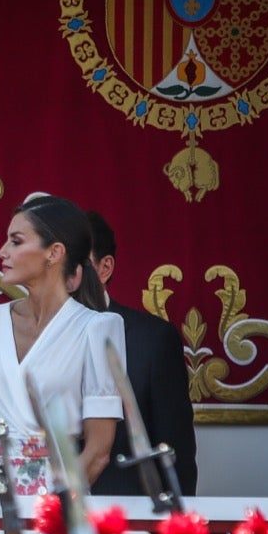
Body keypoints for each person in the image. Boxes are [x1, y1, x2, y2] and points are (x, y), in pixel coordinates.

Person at [0, 193, 125, 495]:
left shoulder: (96, 330)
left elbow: (98, 451)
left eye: (16, 242)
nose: (1, 252)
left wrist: (51, 514)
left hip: (60, 510)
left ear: (54, 253)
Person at [84, 210, 198, 497]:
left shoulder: (153, 339)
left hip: (129, 522)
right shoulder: (32, 334)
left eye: (75, 263)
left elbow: (175, 455)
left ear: (104, 267)